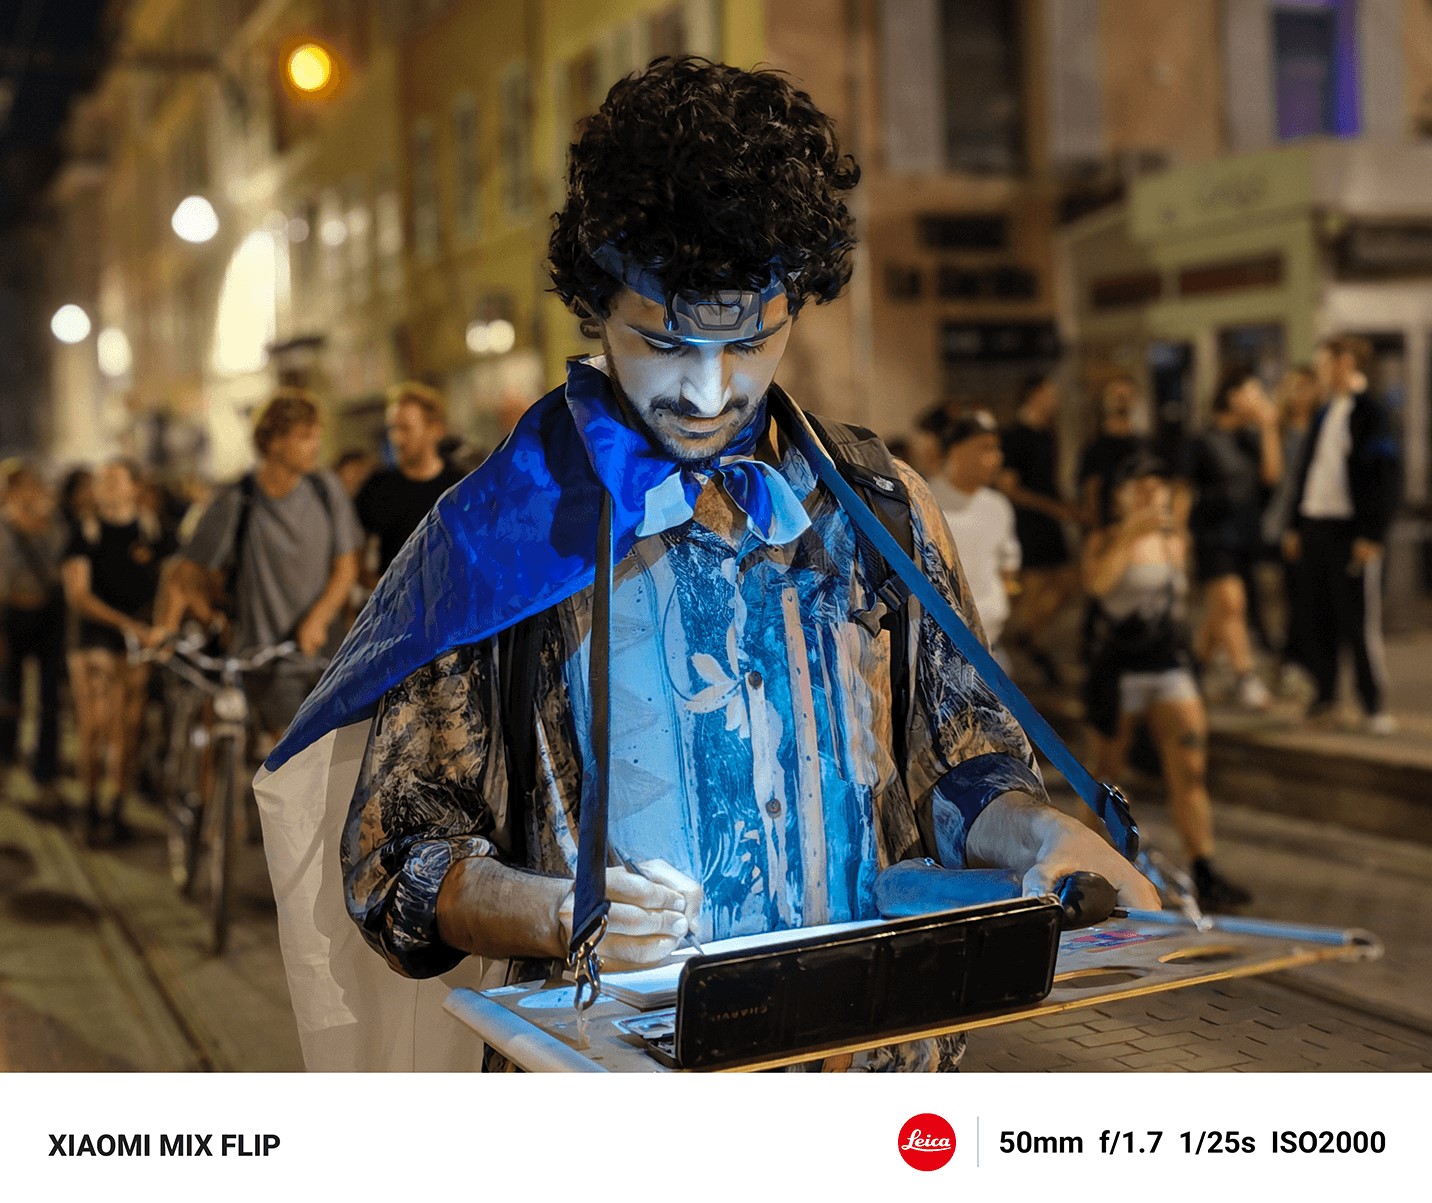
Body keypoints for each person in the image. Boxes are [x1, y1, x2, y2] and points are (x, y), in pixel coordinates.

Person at [254, 57, 1156, 1073]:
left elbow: (960, 765)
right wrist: (560, 912)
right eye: (664, 342)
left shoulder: (885, 507)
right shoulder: (499, 531)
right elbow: (397, 860)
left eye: (750, 344)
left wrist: (1038, 838)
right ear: (597, 304)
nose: (707, 390)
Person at [1082, 453, 1250, 911]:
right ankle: (1086, 862)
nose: (1149, 495)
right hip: (1121, 670)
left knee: (1190, 768)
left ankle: (1204, 867)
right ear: (1120, 497)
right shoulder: (1106, 538)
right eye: (1139, 488)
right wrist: (1129, 535)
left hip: (1169, 665)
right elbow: (1098, 587)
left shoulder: (1175, 539)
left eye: (1156, 487)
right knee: (1105, 774)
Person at [156, 389, 363, 740]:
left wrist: (318, 618)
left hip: (326, 657)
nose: (315, 446)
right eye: (304, 437)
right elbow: (185, 571)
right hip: (264, 662)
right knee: (290, 755)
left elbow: (347, 567)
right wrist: (192, 620)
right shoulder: (237, 498)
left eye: (317, 436)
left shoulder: (326, 489)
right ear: (274, 441)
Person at [1284, 335, 1401, 734]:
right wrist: (1296, 524)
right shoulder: (1325, 412)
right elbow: (1308, 473)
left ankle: (1372, 705)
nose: (1321, 371)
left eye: (1326, 362)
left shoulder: (1372, 412)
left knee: (1358, 623)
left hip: (1350, 531)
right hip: (1316, 526)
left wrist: (1372, 533)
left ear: (1347, 363)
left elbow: (1385, 476)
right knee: (1318, 616)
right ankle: (1325, 698)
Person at [61, 459, 174, 842]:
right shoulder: (84, 532)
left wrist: (160, 627)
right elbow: (78, 595)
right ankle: (91, 805)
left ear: (134, 487)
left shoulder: (152, 530)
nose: (107, 486)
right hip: (93, 638)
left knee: (127, 725)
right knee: (94, 725)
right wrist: (127, 625)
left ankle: (117, 808)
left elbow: (173, 579)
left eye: (115, 479)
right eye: (102, 480)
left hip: (138, 639)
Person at [1187, 367, 1281, 710]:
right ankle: (1245, 677)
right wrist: (1178, 538)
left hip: (1245, 536)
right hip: (1212, 535)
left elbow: (1271, 477)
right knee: (1232, 603)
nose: (1259, 399)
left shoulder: (1249, 440)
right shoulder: (1202, 440)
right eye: (1253, 392)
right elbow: (1183, 491)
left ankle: (1191, 673)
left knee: (1219, 612)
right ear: (1233, 396)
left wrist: (1269, 427)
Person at [999, 373, 1080, 685]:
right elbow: (1010, 487)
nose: (1054, 400)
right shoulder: (1014, 435)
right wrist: (1051, 507)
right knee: (1032, 587)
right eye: (1049, 393)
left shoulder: (1048, 433)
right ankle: (1023, 644)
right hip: (1029, 521)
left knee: (1065, 582)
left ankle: (1029, 637)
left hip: (1050, 520)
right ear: (1033, 394)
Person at [0, 464, 67, 811]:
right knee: (7, 695)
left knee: (49, 700)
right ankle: (5, 761)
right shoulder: (3, 526)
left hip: (48, 616)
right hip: (10, 616)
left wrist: (46, 521)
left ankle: (45, 773)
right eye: (24, 486)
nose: (31, 492)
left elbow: (63, 565)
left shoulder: (53, 524)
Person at [928, 410, 1021, 651]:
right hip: (943, 647)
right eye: (985, 448)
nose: (997, 458)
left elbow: (1008, 567)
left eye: (997, 448)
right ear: (956, 451)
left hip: (992, 642)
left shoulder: (997, 505)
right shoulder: (925, 501)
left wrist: (1002, 599)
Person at [354, 383, 466, 579]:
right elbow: (355, 558)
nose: (396, 438)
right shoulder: (377, 487)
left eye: (405, 429)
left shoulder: (461, 486)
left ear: (435, 430)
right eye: (393, 428)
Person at [1263, 365, 1321, 690]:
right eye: (1296, 387)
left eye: (1308, 387)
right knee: (1294, 596)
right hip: (1285, 520)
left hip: (1316, 518)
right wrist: (1270, 428)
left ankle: (1296, 661)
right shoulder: (1281, 429)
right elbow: (1273, 476)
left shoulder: (1322, 424)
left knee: (1312, 598)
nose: (1302, 395)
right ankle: (1290, 661)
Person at [1077, 374, 1149, 530]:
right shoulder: (1094, 448)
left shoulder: (1144, 446)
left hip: (1141, 527)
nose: (1121, 399)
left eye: (1126, 394)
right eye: (1116, 395)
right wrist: (1097, 531)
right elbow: (1091, 493)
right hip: (1110, 529)